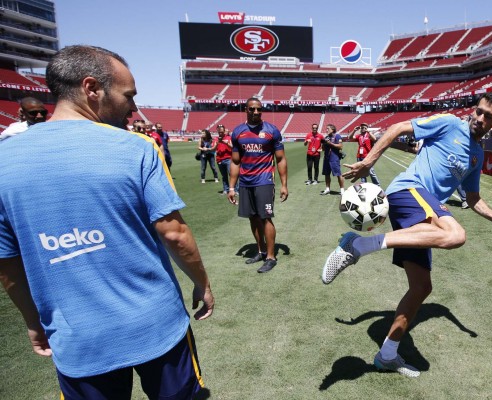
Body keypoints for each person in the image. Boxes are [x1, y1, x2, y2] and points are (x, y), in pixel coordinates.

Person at [0, 45, 214, 399]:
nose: (133, 106)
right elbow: (174, 233)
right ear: (92, 89)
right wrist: (202, 283)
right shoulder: (136, 147)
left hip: (77, 338)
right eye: (128, 95)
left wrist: (32, 322)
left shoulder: (3, 161)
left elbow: (7, 266)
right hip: (156, 324)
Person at [321, 93, 492, 377]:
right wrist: (370, 161)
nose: (479, 118)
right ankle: (359, 245)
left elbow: (472, 197)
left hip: (424, 214)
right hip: (408, 192)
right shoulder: (450, 124)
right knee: (455, 234)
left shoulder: (477, 155)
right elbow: (399, 127)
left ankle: (387, 355)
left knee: (422, 287)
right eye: (478, 111)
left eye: (488, 116)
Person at [228, 98, 288, 273]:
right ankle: (261, 251)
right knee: (253, 217)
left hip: (264, 181)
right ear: (246, 109)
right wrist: (232, 187)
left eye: (259, 109)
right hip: (245, 182)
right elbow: (235, 161)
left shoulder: (271, 130)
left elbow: (281, 159)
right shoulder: (238, 132)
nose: (256, 112)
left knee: (265, 217)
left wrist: (284, 184)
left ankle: (271, 257)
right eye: (252, 109)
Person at [320, 123, 345, 195]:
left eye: (328, 129)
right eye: (326, 129)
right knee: (326, 174)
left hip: (334, 158)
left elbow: (340, 146)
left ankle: (342, 190)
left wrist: (330, 143)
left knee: (338, 174)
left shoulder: (337, 136)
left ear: (333, 129)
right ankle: (327, 189)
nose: (326, 130)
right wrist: (324, 144)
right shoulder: (326, 137)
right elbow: (323, 149)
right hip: (327, 158)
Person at [216, 125, 238, 195]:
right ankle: (226, 190)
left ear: (224, 131)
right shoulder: (216, 139)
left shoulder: (229, 138)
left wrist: (226, 143)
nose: (220, 133)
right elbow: (214, 149)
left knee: (232, 175)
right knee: (224, 176)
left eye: (222, 132)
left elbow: (233, 147)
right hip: (219, 160)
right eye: (219, 132)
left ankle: (236, 190)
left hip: (228, 159)